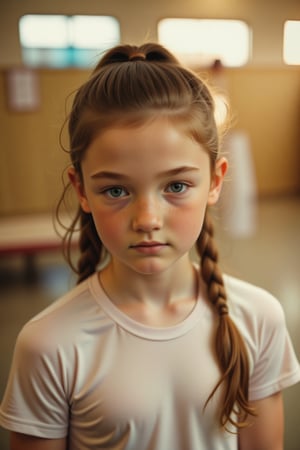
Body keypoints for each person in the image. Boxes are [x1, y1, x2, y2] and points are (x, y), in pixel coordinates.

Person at [0, 43, 299, 450]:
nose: (146, 219)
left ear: (214, 181)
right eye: (116, 189)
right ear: (81, 189)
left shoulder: (258, 318)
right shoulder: (49, 344)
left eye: (176, 186)